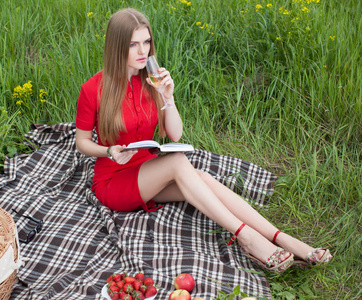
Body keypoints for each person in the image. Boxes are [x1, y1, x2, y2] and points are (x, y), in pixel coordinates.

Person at [75, 8, 332, 273]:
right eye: (133, 44)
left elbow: (174, 134)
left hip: (147, 171)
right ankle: (246, 237)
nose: (143, 51)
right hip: (114, 180)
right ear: (117, 45)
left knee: (204, 179)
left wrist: (167, 97)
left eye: (147, 42)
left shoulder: (151, 80)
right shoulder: (93, 89)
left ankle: (281, 237)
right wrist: (109, 150)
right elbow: (81, 142)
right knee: (177, 163)